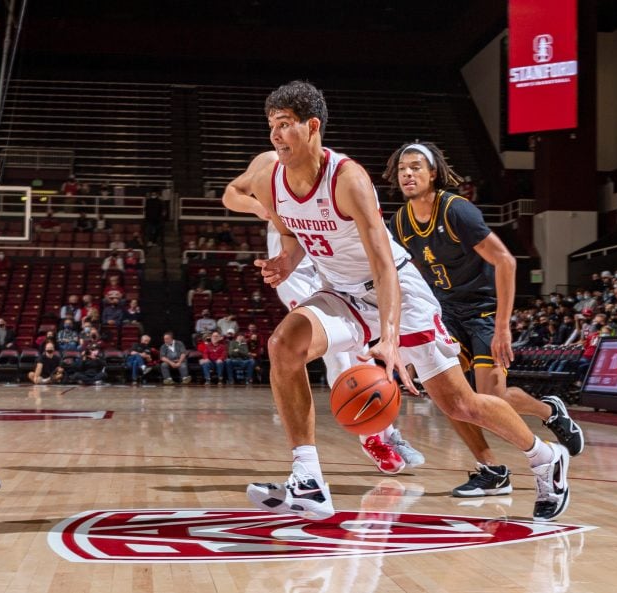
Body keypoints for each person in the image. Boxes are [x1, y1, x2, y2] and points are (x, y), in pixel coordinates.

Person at [223, 81, 570, 522]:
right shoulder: (268, 175)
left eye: (285, 124)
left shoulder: (347, 179)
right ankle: (308, 478)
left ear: (312, 127)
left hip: (399, 295)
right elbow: (290, 231)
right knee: (283, 345)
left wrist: (389, 340)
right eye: (271, 124)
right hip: (343, 292)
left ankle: (545, 457)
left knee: (460, 405)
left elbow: (385, 266)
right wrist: (287, 260)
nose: (274, 134)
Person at [385, 141, 583, 496]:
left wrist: (504, 327)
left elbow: (506, 262)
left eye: (416, 167)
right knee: (449, 397)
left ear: (433, 173)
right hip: (443, 312)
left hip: (482, 311)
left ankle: (548, 411)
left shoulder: (457, 211)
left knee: (494, 396)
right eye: (402, 169)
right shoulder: (399, 222)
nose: (408, 174)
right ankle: (491, 470)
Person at [224, 152, 425, 472]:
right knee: (341, 356)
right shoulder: (268, 165)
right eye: (279, 125)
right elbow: (231, 193)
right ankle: (372, 436)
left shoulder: (324, 172)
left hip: (327, 267)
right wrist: (261, 207)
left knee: (360, 350)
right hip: (295, 274)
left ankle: (381, 427)